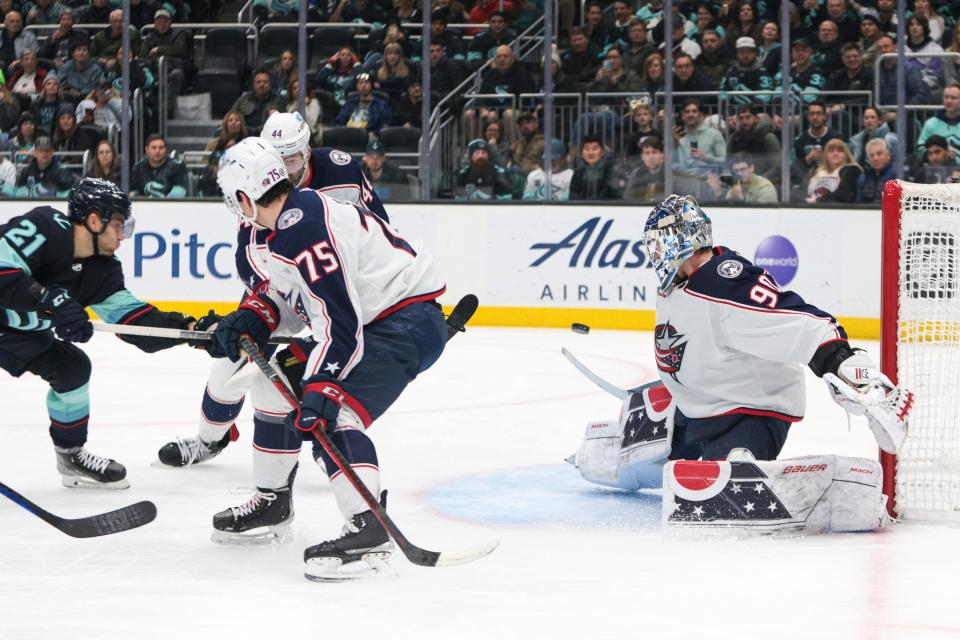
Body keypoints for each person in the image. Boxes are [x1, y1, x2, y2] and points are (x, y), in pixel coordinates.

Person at [567, 194, 910, 534]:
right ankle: (645, 443)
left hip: (747, 415)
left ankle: (827, 488)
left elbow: (800, 321)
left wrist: (847, 366)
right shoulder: (682, 279)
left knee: (723, 487)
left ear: (685, 238)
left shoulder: (724, 282)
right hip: (697, 405)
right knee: (646, 419)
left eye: (661, 242)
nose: (656, 253)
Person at [202, 137, 447, 581]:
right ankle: (273, 501)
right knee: (269, 384)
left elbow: (340, 322)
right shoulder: (290, 217)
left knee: (333, 415)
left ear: (244, 196)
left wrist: (323, 386)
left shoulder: (302, 227)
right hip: (379, 321)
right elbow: (284, 292)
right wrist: (250, 319)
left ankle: (368, 529)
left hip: (402, 323)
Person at [156, 109, 390, 472]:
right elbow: (247, 255)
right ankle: (209, 440)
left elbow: (379, 228)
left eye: (293, 159)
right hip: (283, 287)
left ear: (308, 150)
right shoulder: (257, 181)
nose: (286, 169)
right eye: (278, 159)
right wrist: (268, 301)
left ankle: (326, 433)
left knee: (334, 360)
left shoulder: (342, 170)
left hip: (335, 283)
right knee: (228, 368)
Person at [0, 178, 198, 488]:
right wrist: (49, 298)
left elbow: (136, 322)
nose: (123, 235)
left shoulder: (103, 271)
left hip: (16, 334)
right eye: (119, 224)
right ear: (94, 220)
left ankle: (70, 455)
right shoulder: (44, 227)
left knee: (73, 368)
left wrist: (190, 330)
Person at [792, 100, 843, 189]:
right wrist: (808, 159)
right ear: (808, 117)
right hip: (808, 183)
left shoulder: (837, 137)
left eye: (818, 113)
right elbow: (794, 169)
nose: (815, 117)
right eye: (811, 114)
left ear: (825, 116)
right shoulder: (800, 141)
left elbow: (846, 163)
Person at [726, 104, 780, 181]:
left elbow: (777, 166)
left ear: (756, 118)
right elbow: (728, 163)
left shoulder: (768, 137)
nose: (745, 121)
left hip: (764, 182)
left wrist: (758, 180)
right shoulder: (734, 138)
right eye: (741, 118)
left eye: (748, 117)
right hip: (740, 181)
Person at [228, 68, 285, 135]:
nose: (262, 85)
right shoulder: (244, 99)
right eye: (259, 82)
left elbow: (282, 125)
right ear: (253, 85)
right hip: (242, 136)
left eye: (265, 82)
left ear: (270, 85)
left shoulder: (278, 100)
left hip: (267, 136)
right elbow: (229, 116)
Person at [720, 37, 774, 106]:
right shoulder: (731, 71)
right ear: (737, 54)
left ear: (754, 53)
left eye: (749, 52)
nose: (745, 55)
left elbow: (765, 93)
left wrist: (750, 110)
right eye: (742, 52)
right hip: (733, 112)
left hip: (756, 112)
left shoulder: (762, 71)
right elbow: (722, 90)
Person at [129, 133, 187, 198]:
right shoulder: (138, 167)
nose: (157, 150)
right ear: (147, 149)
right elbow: (132, 192)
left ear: (165, 150)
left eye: (161, 147)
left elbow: (180, 190)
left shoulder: (177, 166)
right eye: (154, 148)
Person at [569, 135, 625, 201]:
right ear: (582, 154)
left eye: (594, 149)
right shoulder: (578, 174)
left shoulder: (611, 171)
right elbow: (573, 198)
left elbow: (615, 196)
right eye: (587, 149)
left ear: (602, 152)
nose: (591, 153)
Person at [335, 72, 392, 137]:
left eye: (366, 82)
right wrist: (345, 131)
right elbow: (339, 122)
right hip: (349, 136)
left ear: (371, 85)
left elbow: (385, 125)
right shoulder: (349, 104)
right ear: (356, 86)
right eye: (360, 83)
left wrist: (375, 134)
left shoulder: (381, 105)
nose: (363, 85)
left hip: (370, 137)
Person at [806, 137, 862, 203]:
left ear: (846, 154)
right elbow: (803, 190)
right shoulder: (815, 170)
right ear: (826, 155)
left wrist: (818, 201)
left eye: (839, 151)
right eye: (831, 151)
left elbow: (843, 195)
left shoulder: (852, 170)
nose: (835, 153)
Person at [711, 151, 778, 203]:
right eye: (736, 170)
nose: (739, 173)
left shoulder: (765, 188)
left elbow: (763, 217)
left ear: (752, 168)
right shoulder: (735, 185)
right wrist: (718, 192)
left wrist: (740, 200)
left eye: (742, 169)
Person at [917, 83, 960, 157]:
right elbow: (920, 149)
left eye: (953, 98)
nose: (949, 101)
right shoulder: (930, 124)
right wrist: (937, 155)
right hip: (937, 167)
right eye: (946, 97)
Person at [624, 136, 665, 202]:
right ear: (642, 156)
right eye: (647, 153)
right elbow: (628, 199)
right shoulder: (636, 174)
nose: (651, 157)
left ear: (662, 155)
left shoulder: (671, 174)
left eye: (654, 152)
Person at [856, 138, 896, 203]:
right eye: (871, 155)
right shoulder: (863, 178)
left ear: (888, 155)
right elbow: (857, 205)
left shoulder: (898, 175)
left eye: (879, 154)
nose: (875, 158)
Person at [509, 111, 544, 176]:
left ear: (535, 124)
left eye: (528, 123)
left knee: (514, 169)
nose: (525, 126)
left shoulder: (543, 142)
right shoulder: (516, 145)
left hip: (538, 176)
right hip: (520, 177)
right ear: (519, 127)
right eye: (522, 124)